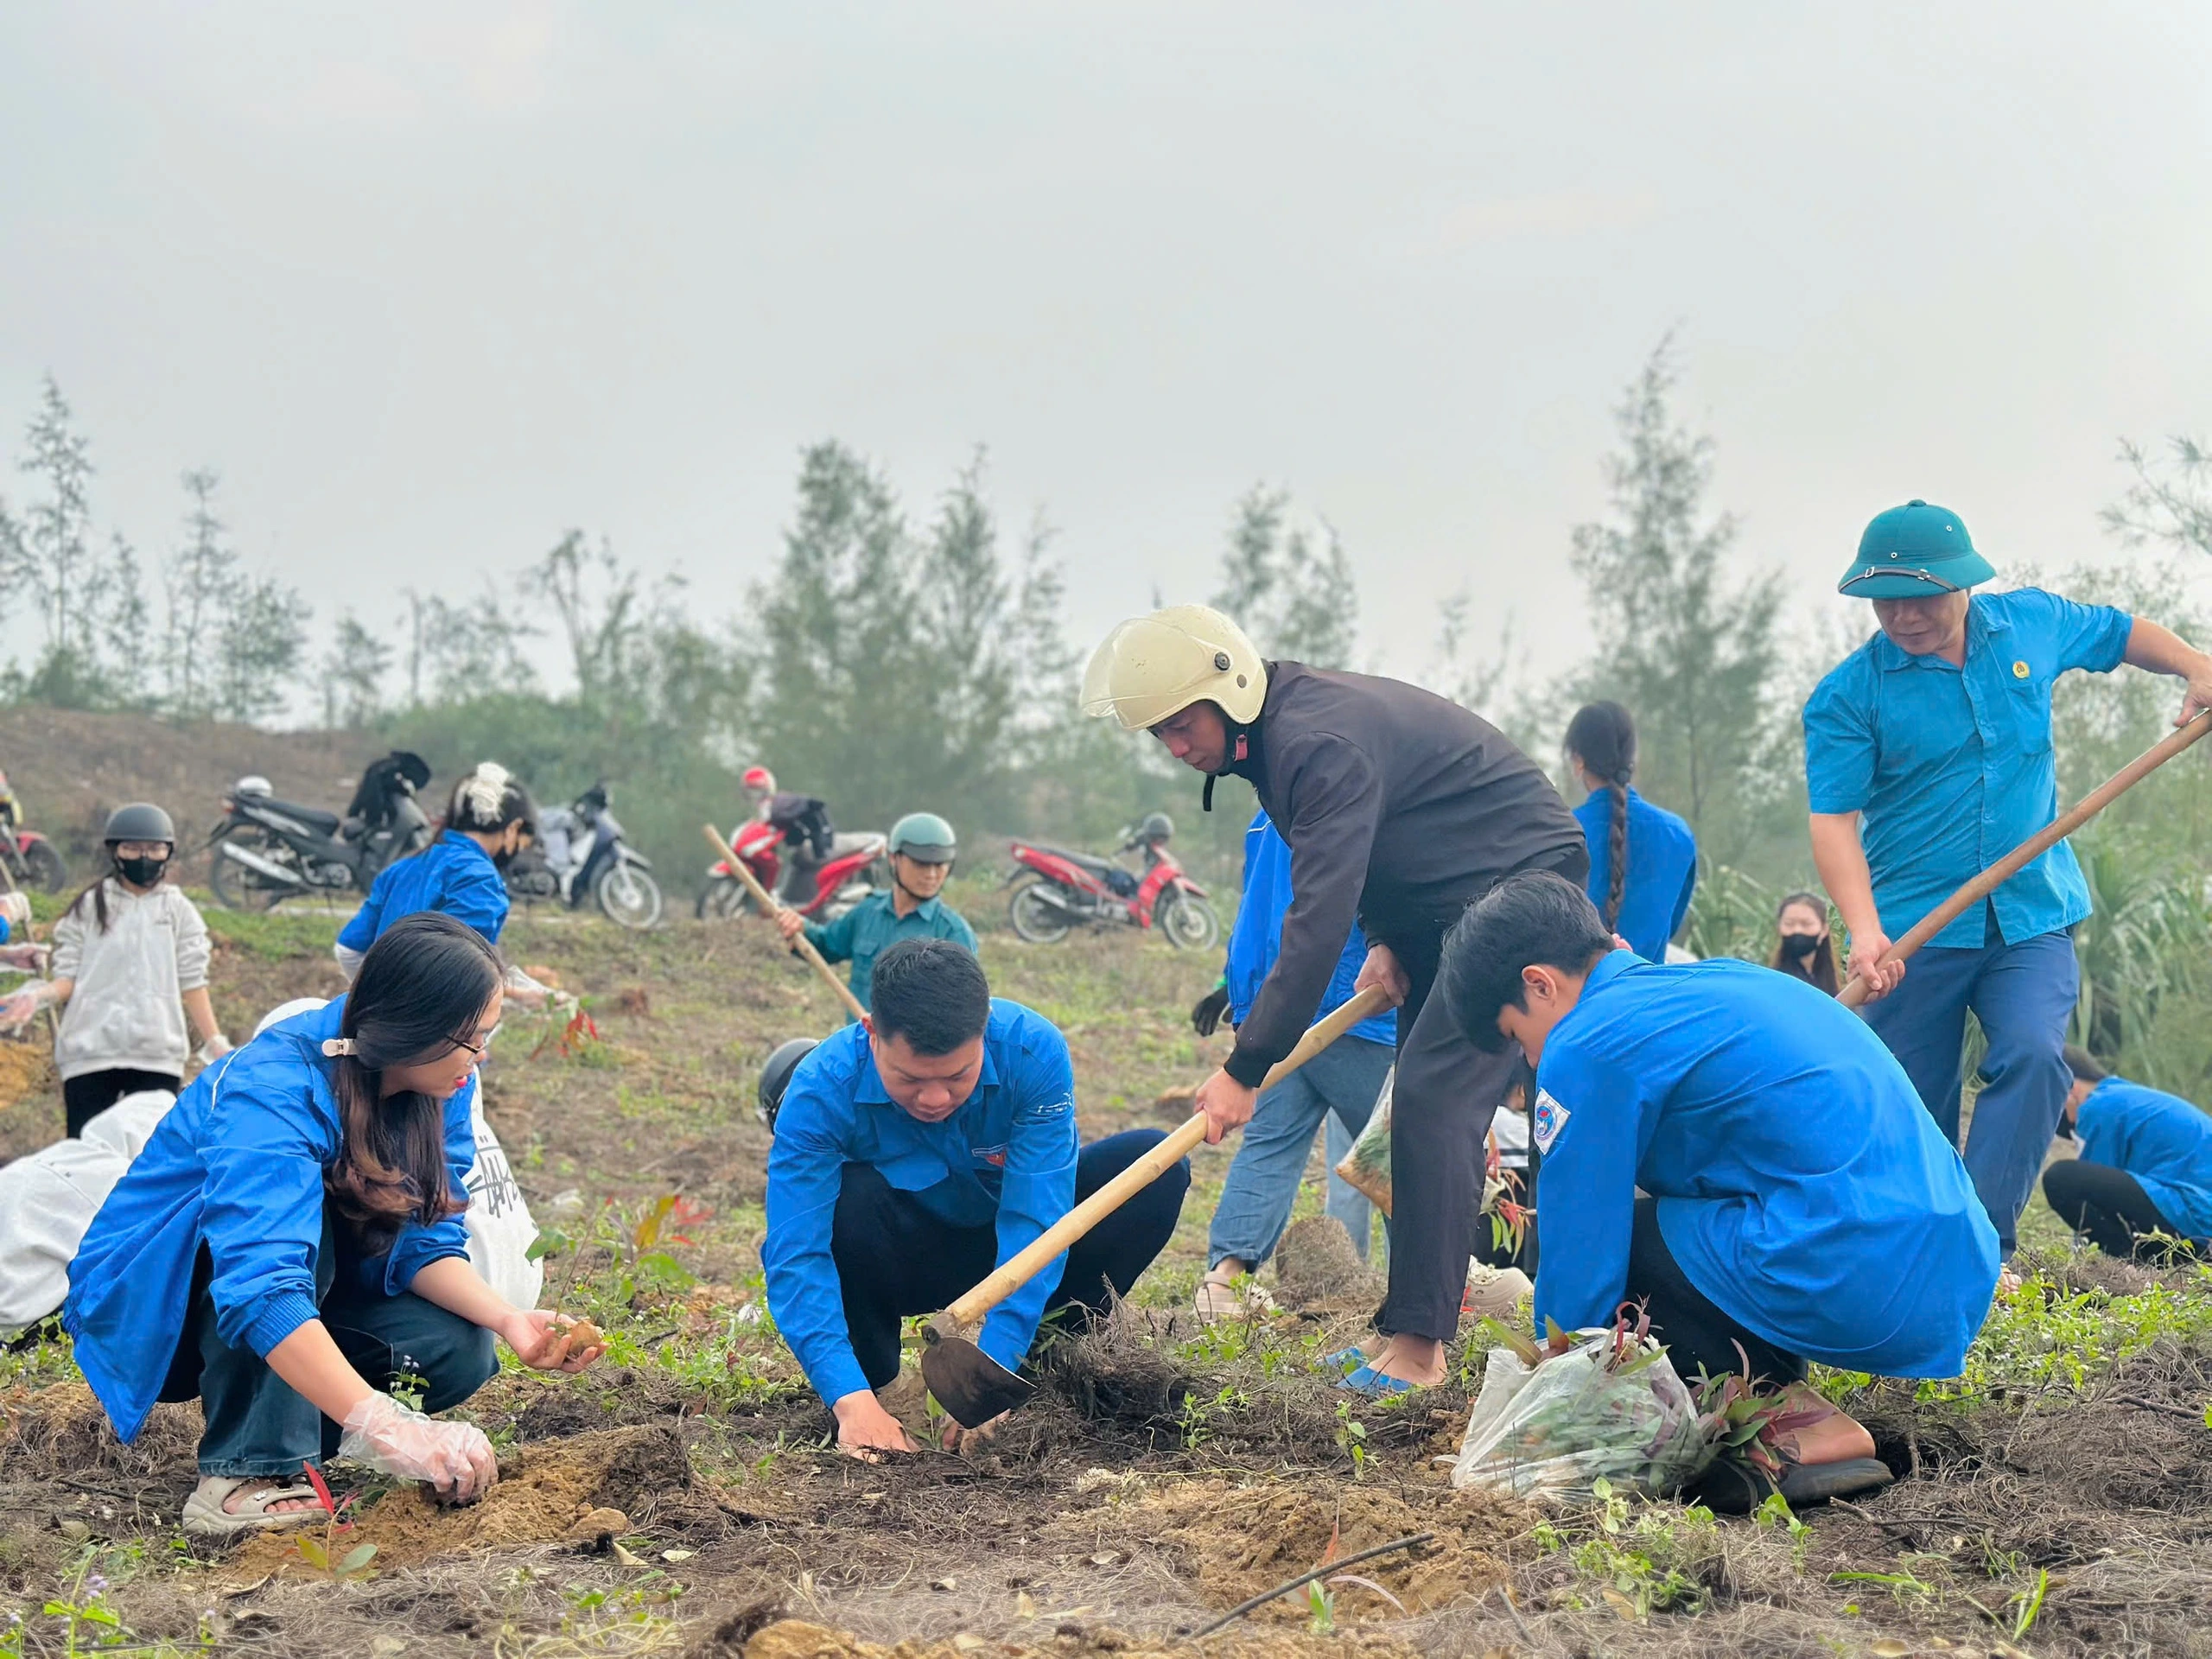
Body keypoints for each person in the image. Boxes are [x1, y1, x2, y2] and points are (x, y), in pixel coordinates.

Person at [1083, 604, 1586, 1392]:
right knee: (1414, 1105)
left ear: (1232, 687)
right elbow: (1387, 846)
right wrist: (1391, 935)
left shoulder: (1314, 743)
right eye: (1162, 736)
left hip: (1518, 890)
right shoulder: (1279, 742)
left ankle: (1421, 1351)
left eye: (1184, 726)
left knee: (1431, 1107)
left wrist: (1245, 1067)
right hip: (1450, 903)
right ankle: (1403, 1333)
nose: (1178, 748)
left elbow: (1314, 923)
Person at [1446, 869, 1999, 1510]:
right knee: (1697, 1222)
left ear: (1539, 983)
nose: (1535, 1062)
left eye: (1519, 1037)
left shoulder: (1586, 1040)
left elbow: (1580, 1255)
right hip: (1950, 1265)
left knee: (1621, 1245)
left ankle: (1799, 1425)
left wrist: (1555, 1407)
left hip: (1855, 1267)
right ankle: (1787, 1404)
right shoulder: (1723, 982)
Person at [64, 914, 604, 1537]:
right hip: (161, 1293)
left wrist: (509, 1319)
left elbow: (424, 1241)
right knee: (301, 1233)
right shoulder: (272, 1086)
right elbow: (260, 1280)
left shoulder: (443, 1084)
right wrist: (386, 1425)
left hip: (287, 1278)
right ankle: (247, 1473)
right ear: (415, 1026)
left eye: (487, 1037)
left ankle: (299, 1432)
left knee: (458, 1348)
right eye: (472, 1039)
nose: (480, 1056)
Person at [1803, 499, 2212, 1256]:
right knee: (1910, 1106)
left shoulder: (2029, 625)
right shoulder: (1850, 695)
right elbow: (1834, 821)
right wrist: (1864, 931)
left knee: (2032, 1055)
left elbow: (2122, 634)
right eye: (1885, 601)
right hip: (1913, 931)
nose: (1903, 617)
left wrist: (2195, 665)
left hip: (2032, 914)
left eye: (1920, 597)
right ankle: (1911, 1255)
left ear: (1962, 584)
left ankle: (1980, 1247)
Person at [764, 938, 1189, 1458]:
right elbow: (796, 1252)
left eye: (957, 1076)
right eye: (911, 1079)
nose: (936, 1098)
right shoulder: (819, 1089)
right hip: (908, 1256)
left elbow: (1037, 1218)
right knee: (848, 1199)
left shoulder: (1032, 1053)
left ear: (983, 1031)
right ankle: (879, 1388)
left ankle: (1031, 1366)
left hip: (1007, 1243)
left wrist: (990, 1373)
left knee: (1153, 1163)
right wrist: (848, 1398)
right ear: (872, 1033)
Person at [1192, 809, 1392, 1319]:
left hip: (1273, 1016)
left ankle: (1223, 1283)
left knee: (1270, 1146)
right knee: (1400, 1152)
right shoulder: (1352, 807)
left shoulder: (1263, 817)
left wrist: (1237, 992)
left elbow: (1253, 913)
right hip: (1350, 1011)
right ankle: (1444, 1283)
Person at [0, 804, 228, 1138]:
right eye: (132, 848)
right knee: (86, 1153)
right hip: (89, 1054)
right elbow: (67, 980)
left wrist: (215, 1041)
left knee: (146, 1160)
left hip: (157, 1055)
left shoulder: (179, 910)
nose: (143, 856)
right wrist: (36, 997)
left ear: (168, 852)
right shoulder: (88, 907)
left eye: (153, 848)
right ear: (115, 851)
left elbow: (193, 982)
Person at [335, 762, 555, 1010]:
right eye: (522, 843)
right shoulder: (479, 879)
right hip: (436, 1037)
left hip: (380, 1032)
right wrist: (520, 995)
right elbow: (456, 973)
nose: (518, 852)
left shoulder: (404, 867)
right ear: (513, 828)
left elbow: (349, 949)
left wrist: (380, 1006)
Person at [774, 812, 977, 1012]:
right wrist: (801, 927)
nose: (931, 875)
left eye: (940, 864)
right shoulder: (867, 912)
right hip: (861, 1042)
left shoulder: (953, 933)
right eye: (921, 863)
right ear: (893, 858)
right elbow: (827, 945)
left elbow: (963, 1012)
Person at [2042, 1047, 2212, 1260]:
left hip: (2196, 1215)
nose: (2071, 1128)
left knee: (2062, 1178)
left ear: (2071, 1090)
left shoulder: (2098, 1106)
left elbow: (2095, 1199)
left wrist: (2081, 1256)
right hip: (2195, 1213)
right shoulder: (2123, 1096)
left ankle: (2128, 1263)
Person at [1562, 702, 1697, 963]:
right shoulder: (1677, 834)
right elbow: (1672, 921)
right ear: (1632, 759)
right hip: (1649, 995)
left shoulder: (1560, 832)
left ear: (1579, 761)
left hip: (1575, 1001)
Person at [1770, 892, 1840, 995]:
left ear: (1824, 930)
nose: (1797, 930)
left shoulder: (1832, 980)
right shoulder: (1774, 982)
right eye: (1789, 924)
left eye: (1806, 924)